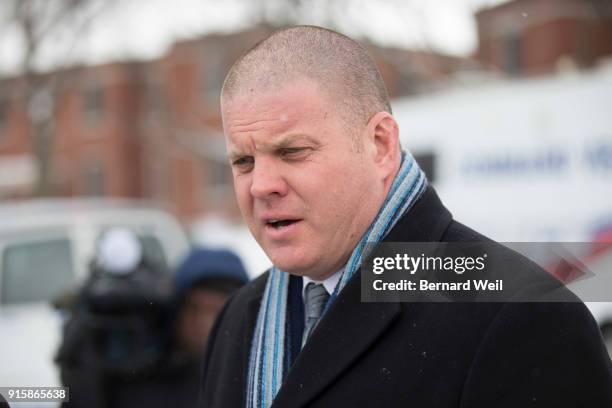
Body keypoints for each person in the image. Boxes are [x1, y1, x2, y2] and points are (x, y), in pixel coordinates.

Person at [199, 26, 612, 407]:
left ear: (380, 144)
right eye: (243, 161)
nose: (261, 185)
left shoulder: (524, 319)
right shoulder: (240, 319)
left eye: (292, 152)